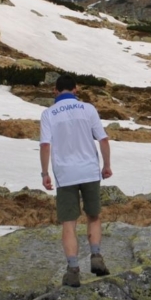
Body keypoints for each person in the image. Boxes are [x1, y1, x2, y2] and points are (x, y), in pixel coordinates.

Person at [39, 74, 113, 287]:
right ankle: (96, 256)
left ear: (55, 91)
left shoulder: (48, 114)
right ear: (76, 89)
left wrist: (45, 173)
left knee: (69, 223)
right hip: (89, 170)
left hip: (65, 173)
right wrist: (106, 165)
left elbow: (45, 145)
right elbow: (103, 139)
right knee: (93, 215)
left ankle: (72, 270)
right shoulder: (87, 109)